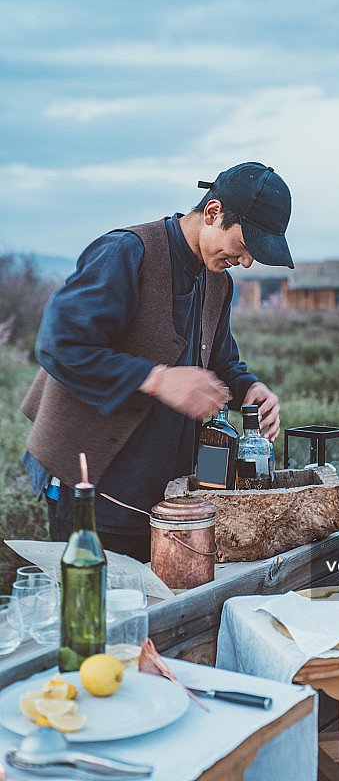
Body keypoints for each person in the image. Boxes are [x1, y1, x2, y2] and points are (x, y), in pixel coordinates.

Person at [21, 162, 294, 562]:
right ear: (214, 212)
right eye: (246, 243)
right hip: (92, 483)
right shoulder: (125, 252)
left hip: (159, 493)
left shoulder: (218, 280)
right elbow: (60, 343)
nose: (248, 261)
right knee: (95, 612)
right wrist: (158, 379)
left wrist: (249, 388)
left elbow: (220, 360)